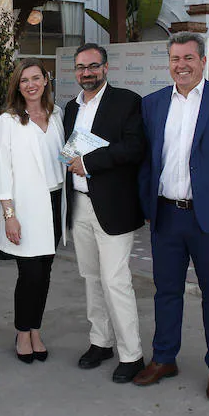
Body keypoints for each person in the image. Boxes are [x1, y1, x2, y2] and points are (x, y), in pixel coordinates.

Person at [134, 32, 209, 402]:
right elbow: (145, 161)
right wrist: (147, 209)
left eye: (188, 58)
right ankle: (164, 358)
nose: (181, 65)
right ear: (168, 63)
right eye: (175, 59)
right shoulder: (153, 104)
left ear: (202, 61)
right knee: (165, 292)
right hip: (166, 217)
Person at [63, 44, 146, 383]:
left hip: (113, 207)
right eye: (81, 67)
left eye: (93, 66)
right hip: (80, 205)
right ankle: (101, 341)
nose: (87, 73)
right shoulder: (69, 108)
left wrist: (90, 163)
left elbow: (134, 148)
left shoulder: (128, 102)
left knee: (116, 281)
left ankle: (133, 355)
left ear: (106, 68)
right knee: (91, 278)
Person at [0, 58, 66, 364]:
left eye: (36, 78)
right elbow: (2, 171)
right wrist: (10, 216)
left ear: (46, 81)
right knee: (29, 274)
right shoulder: (8, 121)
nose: (31, 84)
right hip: (24, 207)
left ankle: (36, 329)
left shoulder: (57, 114)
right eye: (24, 80)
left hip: (55, 201)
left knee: (45, 272)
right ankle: (23, 332)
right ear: (17, 86)